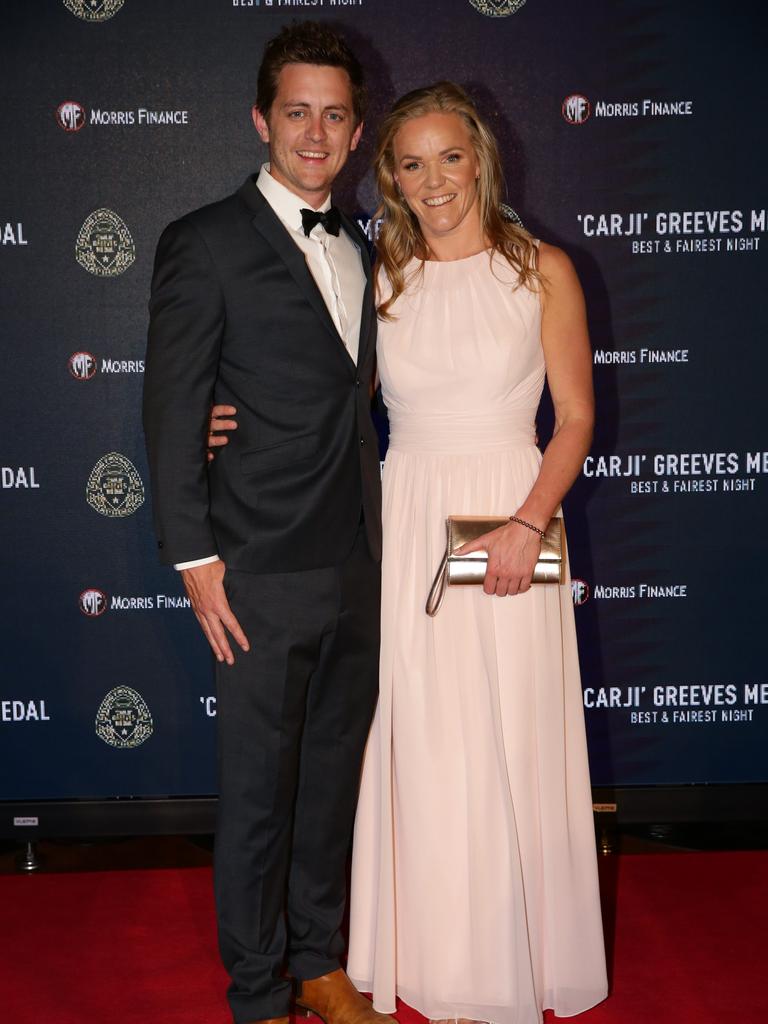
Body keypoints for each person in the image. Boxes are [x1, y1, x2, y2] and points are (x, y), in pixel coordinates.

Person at [208, 80, 608, 1022]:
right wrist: (217, 420)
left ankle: (512, 958)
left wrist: (524, 524)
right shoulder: (377, 271)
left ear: (483, 160)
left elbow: (576, 419)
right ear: (387, 175)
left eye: (451, 159)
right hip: (403, 520)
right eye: (411, 163)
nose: (434, 181)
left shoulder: (544, 270)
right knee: (423, 742)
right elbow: (310, 389)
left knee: (509, 733)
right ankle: (427, 960)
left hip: (512, 515)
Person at [142, 22, 392, 1024]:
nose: (317, 132)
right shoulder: (202, 241)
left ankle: (318, 963)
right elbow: (170, 407)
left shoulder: (371, 243)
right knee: (256, 798)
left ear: (358, 128)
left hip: (358, 558)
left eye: (336, 114)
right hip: (254, 566)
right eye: (298, 111)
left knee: (330, 781)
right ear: (262, 119)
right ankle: (254, 995)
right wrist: (195, 552)